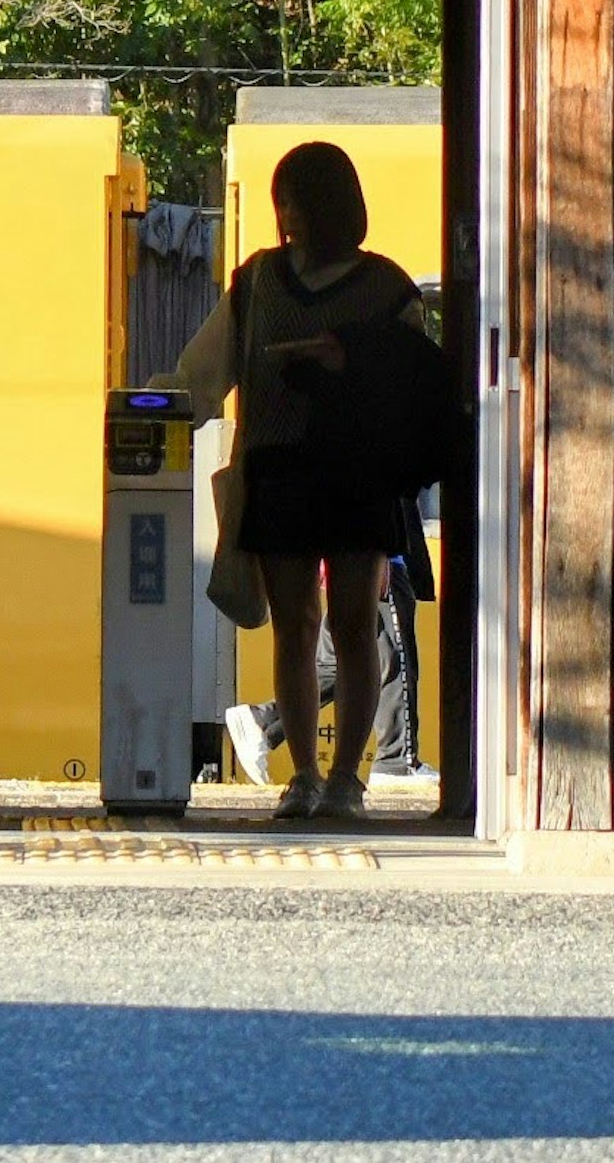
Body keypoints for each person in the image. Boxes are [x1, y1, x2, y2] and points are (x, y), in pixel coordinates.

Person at [151, 139, 437, 822]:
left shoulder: (388, 287)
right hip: (277, 475)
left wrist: (350, 364)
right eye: (284, 202)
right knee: (294, 628)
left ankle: (347, 780)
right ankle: (304, 775)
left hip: (360, 477)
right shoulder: (256, 283)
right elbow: (200, 374)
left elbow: (413, 386)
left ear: (334, 206)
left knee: (353, 624)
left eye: (300, 201)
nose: (289, 215)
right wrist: (152, 411)